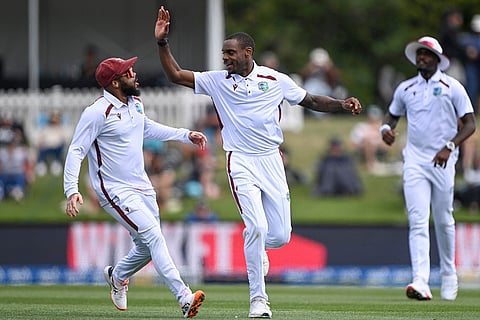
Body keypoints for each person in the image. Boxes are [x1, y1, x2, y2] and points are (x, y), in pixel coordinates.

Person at [154, 6, 362, 318]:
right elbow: (175, 75)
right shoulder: (217, 81)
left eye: (230, 53)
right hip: (240, 161)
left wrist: (343, 104)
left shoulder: (274, 79)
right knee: (256, 227)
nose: (225, 58)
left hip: (271, 161)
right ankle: (258, 300)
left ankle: (259, 246)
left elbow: (312, 100)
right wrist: (162, 43)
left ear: (247, 52)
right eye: (223, 53)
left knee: (279, 235)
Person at [63, 56, 207, 318]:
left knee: (146, 246)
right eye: (128, 71)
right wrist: (71, 189)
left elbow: (147, 128)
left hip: (142, 186)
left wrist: (184, 135)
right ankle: (185, 297)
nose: (134, 73)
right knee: (153, 235)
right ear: (116, 82)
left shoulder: (135, 103)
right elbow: (76, 150)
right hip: (114, 190)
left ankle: (117, 277)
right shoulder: (96, 113)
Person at [380, 36, 476, 301]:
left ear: (437, 59)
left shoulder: (451, 86)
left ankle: (448, 274)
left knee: (444, 218)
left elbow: (469, 124)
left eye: (427, 54)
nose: (422, 58)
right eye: (419, 54)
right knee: (418, 220)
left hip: (443, 160)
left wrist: (450, 145)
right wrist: (386, 131)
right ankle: (420, 280)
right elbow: (392, 117)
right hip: (415, 160)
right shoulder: (406, 88)